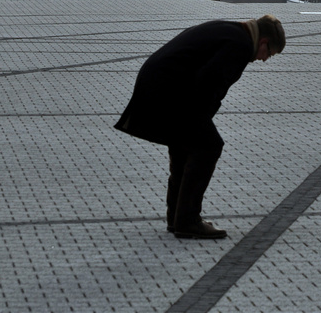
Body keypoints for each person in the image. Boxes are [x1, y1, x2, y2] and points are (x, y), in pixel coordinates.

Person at [115, 15, 286, 239]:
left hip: (159, 82)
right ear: (263, 42)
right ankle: (188, 221)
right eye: (269, 53)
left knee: (185, 146)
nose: (264, 59)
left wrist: (200, 121)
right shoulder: (241, 45)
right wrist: (202, 121)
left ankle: (177, 217)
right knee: (209, 146)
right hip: (169, 89)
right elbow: (209, 83)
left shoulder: (232, 30)